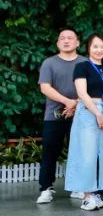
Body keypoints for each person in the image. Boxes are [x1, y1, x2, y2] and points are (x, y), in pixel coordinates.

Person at [35, 27, 85, 204]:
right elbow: (45, 87)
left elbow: (92, 88)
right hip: (54, 115)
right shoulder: (49, 63)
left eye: (70, 38)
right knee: (49, 152)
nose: (66, 41)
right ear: (57, 43)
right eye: (62, 38)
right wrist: (67, 101)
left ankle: (78, 187)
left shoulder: (85, 63)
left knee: (80, 152)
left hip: (81, 114)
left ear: (77, 42)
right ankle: (45, 188)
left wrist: (75, 103)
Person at [67, 34, 103, 211]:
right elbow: (82, 93)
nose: (99, 50)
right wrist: (98, 114)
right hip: (88, 111)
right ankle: (87, 195)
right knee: (87, 155)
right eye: (95, 46)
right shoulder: (82, 66)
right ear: (88, 48)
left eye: (102, 47)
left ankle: (97, 192)